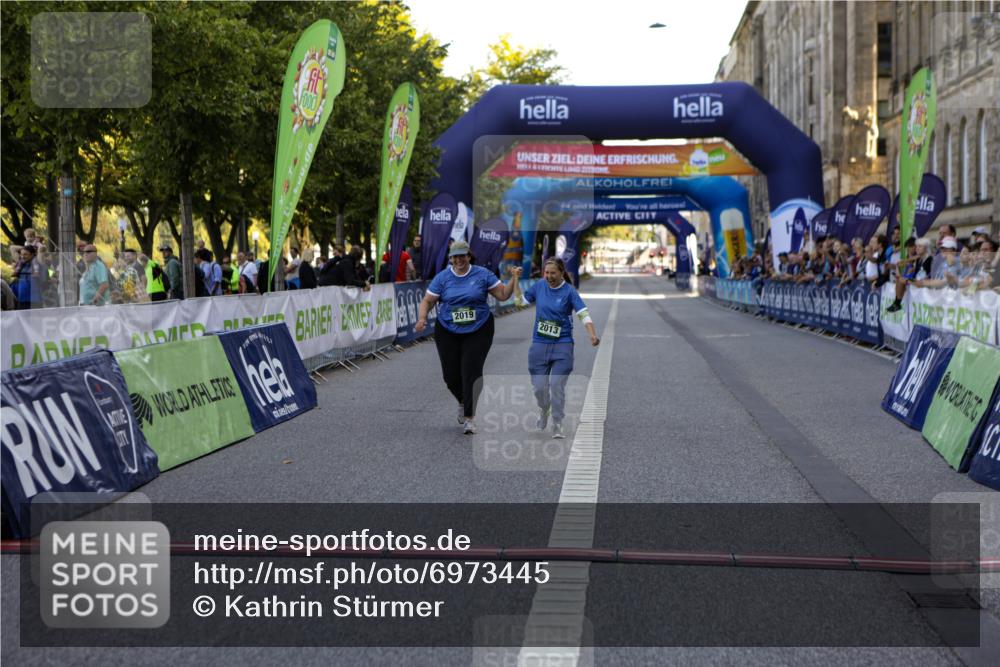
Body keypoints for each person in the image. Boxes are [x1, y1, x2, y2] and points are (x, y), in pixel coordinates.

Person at [415, 240, 522, 434]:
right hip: (447, 329)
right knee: (450, 376)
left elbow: (503, 295)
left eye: (462, 255)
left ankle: (470, 417)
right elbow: (428, 301)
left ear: (469, 255)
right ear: (451, 258)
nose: (459, 260)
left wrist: (513, 279)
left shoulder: (483, 274)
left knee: (471, 371)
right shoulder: (442, 278)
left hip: (479, 328)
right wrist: (422, 318)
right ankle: (463, 401)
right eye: (455, 256)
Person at [520, 258, 599, 439]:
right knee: (539, 388)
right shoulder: (539, 286)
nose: (548, 276)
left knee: (556, 385)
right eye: (546, 272)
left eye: (552, 273)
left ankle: (557, 422)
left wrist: (592, 334)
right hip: (539, 344)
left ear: (561, 272)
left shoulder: (569, 292)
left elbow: (583, 314)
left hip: (562, 344)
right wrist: (516, 280)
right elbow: (520, 302)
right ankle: (544, 409)